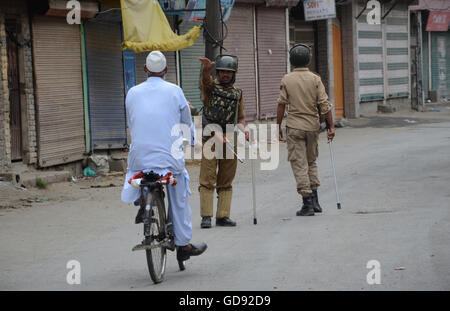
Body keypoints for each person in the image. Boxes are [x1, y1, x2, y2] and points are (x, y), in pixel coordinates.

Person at [121, 51, 207, 262]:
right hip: (169, 158)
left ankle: (143, 203)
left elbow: (132, 122)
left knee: (136, 174)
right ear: (166, 70)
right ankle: (184, 245)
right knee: (179, 191)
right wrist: (190, 141)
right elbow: (186, 123)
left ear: (145, 69)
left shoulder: (132, 92)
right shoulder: (175, 91)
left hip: (139, 156)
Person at [277, 44, 335, 216]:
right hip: (312, 127)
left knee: (299, 164)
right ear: (308, 59)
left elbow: (281, 104)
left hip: (295, 127)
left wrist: (277, 125)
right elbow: (324, 105)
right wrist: (331, 126)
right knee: (311, 162)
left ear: (291, 60)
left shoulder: (287, 79)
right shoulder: (315, 79)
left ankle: (307, 203)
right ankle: (316, 201)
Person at [198, 55, 249, 228]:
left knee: (226, 180)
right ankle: (206, 216)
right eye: (222, 71)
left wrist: (244, 129)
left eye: (229, 72)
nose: (226, 74)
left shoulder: (238, 93)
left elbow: (241, 117)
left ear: (233, 74)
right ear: (217, 72)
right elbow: (205, 81)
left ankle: (223, 216)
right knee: (207, 178)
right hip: (211, 138)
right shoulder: (210, 88)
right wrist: (206, 69)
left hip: (230, 140)